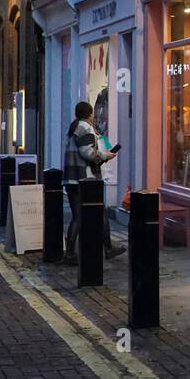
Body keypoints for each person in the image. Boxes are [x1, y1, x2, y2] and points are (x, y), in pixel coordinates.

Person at [63, 101, 126, 263]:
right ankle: (108, 248)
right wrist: (106, 156)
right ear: (90, 113)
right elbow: (88, 153)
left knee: (77, 216)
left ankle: (70, 252)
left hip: (71, 178)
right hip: (85, 179)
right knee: (100, 213)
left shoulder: (73, 127)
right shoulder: (85, 128)